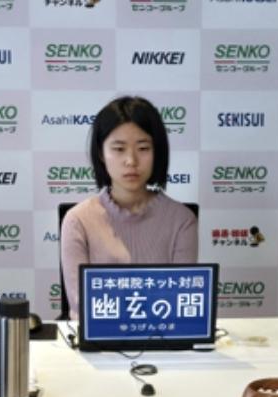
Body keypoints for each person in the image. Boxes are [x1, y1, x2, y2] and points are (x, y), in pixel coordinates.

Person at [60, 95, 198, 317]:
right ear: (101, 153)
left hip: (162, 335)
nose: (131, 161)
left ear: (157, 152)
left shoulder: (182, 220)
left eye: (143, 148)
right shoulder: (78, 220)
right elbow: (81, 304)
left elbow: (182, 300)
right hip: (97, 336)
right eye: (119, 149)